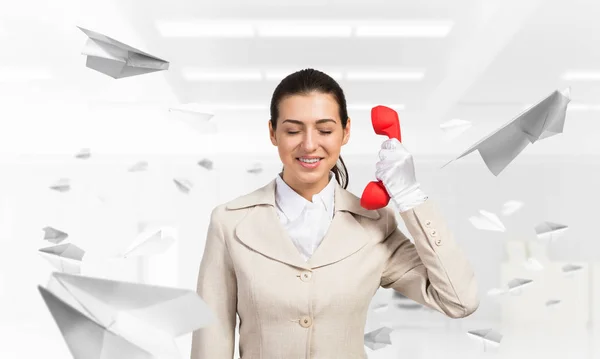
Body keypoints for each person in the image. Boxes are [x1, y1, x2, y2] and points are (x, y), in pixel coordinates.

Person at [191, 68, 479, 359]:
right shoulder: (230, 223)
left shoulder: (375, 227)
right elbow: (210, 341)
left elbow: (459, 301)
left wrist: (410, 196)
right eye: (293, 130)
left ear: (346, 132)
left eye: (325, 130)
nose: (309, 144)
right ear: (272, 133)